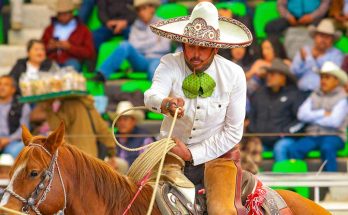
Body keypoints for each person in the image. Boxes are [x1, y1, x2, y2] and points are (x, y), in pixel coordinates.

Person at [144, 2, 253, 214]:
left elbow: (233, 132)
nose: (195, 53)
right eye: (191, 46)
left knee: (221, 211)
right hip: (170, 152)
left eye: (203, 47)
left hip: (218, 158)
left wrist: (192, 154)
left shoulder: (234, 74)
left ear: (215, 48)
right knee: (134, 196)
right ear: (183, 43)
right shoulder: (169, 63)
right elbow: (151, 96)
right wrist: (166, 103)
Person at [92, 0, 170, 82]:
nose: (140, 13)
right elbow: (133, 45)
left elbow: (165, 47)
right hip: (140, 60)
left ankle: (157, 93)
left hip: (156, 59)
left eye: (143, 9)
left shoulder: (163, 24)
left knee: (154, 69)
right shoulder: (135, 25)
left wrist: (142, 45)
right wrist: (154, 41)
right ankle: (102, 74)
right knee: (125, 45)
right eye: (138, 10)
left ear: (152, 9)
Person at [290, 61, 348, 172]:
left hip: (334, 136)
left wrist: (312, 117)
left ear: (336, 81)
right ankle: (301, 183)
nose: (323, 81)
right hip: (313, 135)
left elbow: (334, 122)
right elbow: (301, 114)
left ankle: (330, 183)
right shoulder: (315, 94)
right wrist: (322, 114)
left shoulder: (342, 97)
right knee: (295, 149)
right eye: (322, 78)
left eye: (327, 78)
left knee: (327, 147)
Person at [248, 59, 305, 162]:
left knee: (280, 148)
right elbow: (252, 116)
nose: (269, 77)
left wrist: (286, 132)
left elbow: (301, 120)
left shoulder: (294, 95)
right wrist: (254, 132)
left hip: (284, 139)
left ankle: (282, 177)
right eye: (268, 74)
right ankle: (252, 178)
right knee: (250, 148)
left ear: (283, 77)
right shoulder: (259, 93)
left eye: (273, 74)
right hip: (262, 140)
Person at [291, 19, 344, 93]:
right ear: (315, 37)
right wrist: (302, 61)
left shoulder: (336, 55)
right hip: (300, 91)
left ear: (332, 40)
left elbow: (328, 75)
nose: (323, 40)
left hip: (322, 94)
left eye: (327, 37)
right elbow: (294, 72)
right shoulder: (305, 50)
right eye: (321, 35)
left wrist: (309, 59)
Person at [41, 0, 95, 72]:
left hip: (72, 61)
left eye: (65, 14)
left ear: (71, 13)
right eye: (60, 14)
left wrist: (70, 47)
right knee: (43, 65)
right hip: (52, 61)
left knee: (72, 65)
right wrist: (49, 47)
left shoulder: (83, 30)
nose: (62, 17)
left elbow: (89, 53)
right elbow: (40, 48)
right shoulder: (49, 29)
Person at [110, 101, 154, 167]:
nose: (122, 123)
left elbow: (147, 165)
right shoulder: (113, 137)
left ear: (133, 121)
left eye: (125, 119)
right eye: (119, 119)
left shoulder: (144, 139)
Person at [0, 75, 30, 158]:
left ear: (13, 89)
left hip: (13, 142)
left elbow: (23, 129)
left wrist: (7, 140)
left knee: (10, 154)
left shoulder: (22, 105)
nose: (2, 87)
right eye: (0, 84)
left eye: (6, 85)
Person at [265, 0, 331, 37]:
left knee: (322, 29)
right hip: (292, 18)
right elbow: (280, 5)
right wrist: (288, 16)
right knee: (270, 27)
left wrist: (312, 16)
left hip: (314, 19)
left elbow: (325, 5)